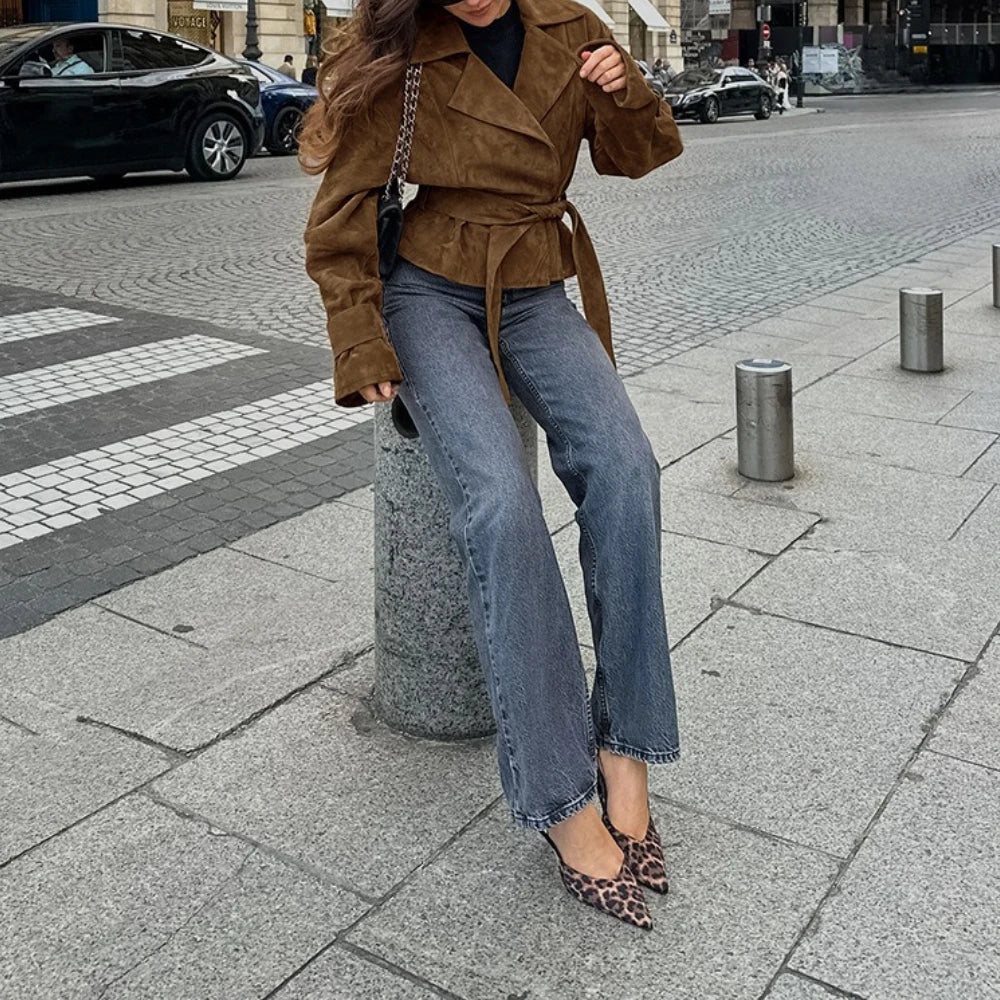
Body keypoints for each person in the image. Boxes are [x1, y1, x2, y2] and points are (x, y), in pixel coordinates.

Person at [301, 0, 682, 931]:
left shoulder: (573, 27)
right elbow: (341, 211)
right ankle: (560, 799)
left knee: (626, 467)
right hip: (428, 294)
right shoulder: (403, 49)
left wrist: (625, 91)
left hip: (537, 282)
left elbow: (639, 154)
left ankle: (625, 751)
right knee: (502, 506)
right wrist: (361, 341)